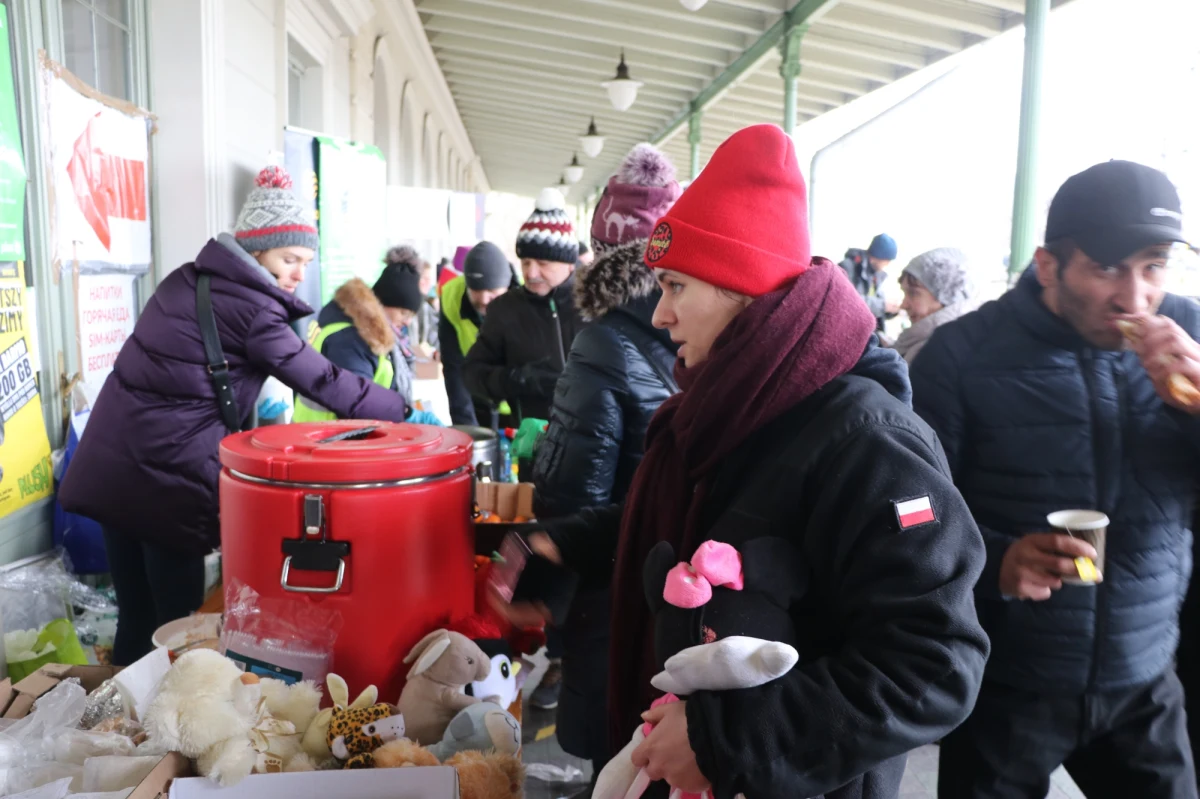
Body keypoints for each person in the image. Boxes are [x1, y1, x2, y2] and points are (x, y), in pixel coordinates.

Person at [496, 125, 989, 798]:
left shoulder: (868, 442)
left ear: (744, 290)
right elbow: (707, 520)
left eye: (676, 287)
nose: (661, 314)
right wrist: (573, 541)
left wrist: (725, 738)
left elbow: (935, 663)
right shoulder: (722, 402)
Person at [911, 160, 1199, 799]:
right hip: (1006, 683)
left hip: (1146, 678)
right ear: (1048, 266)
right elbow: (906, 510)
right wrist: (994, 561)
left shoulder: (1192, 335)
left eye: (1153, 265)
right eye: (1106, 268)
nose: (1135, 297)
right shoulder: (961, 356)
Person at [58, 165, 410, 665]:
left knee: (136, 618)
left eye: (305, 261)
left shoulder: (187, 280)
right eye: (290, 257)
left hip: (115, 466)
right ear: (257, 249)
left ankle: (120, 725)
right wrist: (401, 410)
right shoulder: (252, 310)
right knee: (179, 629)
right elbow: (322, 380)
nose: (297, 272)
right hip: (167, 483)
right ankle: (164, 733)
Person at [529, 142, 682, 785]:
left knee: (615, 764)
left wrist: (545, 595)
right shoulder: (701, 332)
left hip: (613, 592)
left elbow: (572, 489)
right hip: (688, 591)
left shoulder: (603, 338)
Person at [463, 189, 589, 424]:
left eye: (543, 263)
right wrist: (517, 379)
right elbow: (472, 373)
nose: (531, 273)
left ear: (569, 265)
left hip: (594, 443)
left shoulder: (595, 304)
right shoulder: (505, 310)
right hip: (533, 445)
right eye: (525, 262)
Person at [294, 246, 440, 425]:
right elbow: (355, 401)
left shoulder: (376, 335)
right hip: (329, 439)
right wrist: (406, 414)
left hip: (335, 435)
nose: (407, 322)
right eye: (404, 313)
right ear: (382, 304)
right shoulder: (351, 339)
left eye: (411, 316)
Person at [440, 241, 513, 427]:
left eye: (492, 292)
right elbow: (452, 367)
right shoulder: (451, 296)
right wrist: (466, 427)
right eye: (476, 291)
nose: (483, 300)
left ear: (506, 286)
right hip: (476, 400)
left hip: (518, 407)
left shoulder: (525, 300)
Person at [892, 247, 978, 364]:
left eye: (913, 293)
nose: (903, 305)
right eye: (905, 293)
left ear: (945, 296)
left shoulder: (934, 353)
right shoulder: (920, 343)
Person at [841, 233, 900, 331]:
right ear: (877, 256)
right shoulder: (848, 267)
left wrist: (890, 310)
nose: (888, 264)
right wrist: (882, 306)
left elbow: (874, 307)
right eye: (887, 260)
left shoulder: (876, 275)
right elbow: (846, 300)